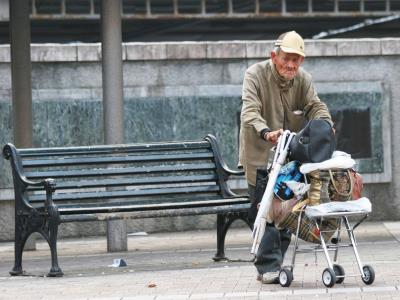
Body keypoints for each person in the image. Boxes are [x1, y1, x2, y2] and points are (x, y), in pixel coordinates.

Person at [239, 31, 333, 284]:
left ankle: (273, 265)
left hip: (288, 158)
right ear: (274, 56)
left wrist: (325, 124)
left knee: (287, 209)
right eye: (286, 59)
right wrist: (267, 132)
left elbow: (315, 105)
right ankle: (268, 265)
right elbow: (249, 112)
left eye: (297, 60)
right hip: (259, 155)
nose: (291, 65)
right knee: (264, 209)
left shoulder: (303, 79)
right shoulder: (254, 75)